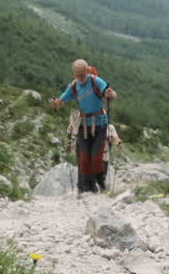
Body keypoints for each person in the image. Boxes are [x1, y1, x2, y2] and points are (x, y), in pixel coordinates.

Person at [50, 59, 118, 193]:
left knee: (95, 156)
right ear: (73, 73)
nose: (80, 78)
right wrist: (56, 103)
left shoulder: (95, 81)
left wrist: (111, 94)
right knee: (85, 157)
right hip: (83, 126)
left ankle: (99, 183)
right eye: (77, 75)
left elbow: (108, 93)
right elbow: (62, 99)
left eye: (82, 74)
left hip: (100, 124)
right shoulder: (74, 86)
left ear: (87, 71)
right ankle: (87, 187)